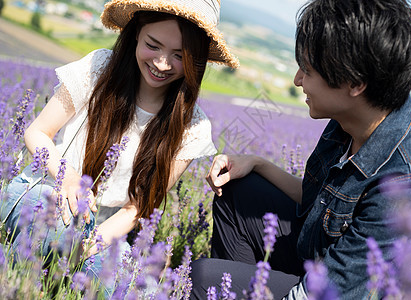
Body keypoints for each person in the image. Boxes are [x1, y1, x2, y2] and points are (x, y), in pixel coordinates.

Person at [190, 0, 411, 299]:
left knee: (205, 278)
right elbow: (319, 201)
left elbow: (339, 286)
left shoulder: (410, 182)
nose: (297, 80)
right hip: (327, 256)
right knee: (238, 190)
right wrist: (258, 163)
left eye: (308, 70)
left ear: (354, 82)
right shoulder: (354, 117)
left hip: (357, 288)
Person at [1, 0, 238, 283]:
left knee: (138, 289)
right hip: (45, 191)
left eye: (179, 55)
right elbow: (37, 133)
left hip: (106, 226)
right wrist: (68, 178)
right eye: (154, 45)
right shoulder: (99, 68)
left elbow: (138, 207)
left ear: (195, 60)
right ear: (137, 31)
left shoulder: (193, 127)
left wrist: (90, 245)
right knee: (54, 233)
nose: (162, 64)